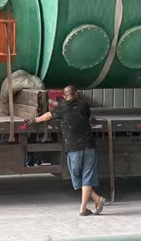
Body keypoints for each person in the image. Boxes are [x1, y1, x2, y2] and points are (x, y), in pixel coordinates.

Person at [25, 85, 105, 216]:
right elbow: (76, 109)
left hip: (73, 147)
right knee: (87, 177)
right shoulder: (84, 105)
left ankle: (85, 207)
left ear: (64, 96)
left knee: (77, 177)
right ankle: (96, 200)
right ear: (77, 94)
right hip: (88, 145)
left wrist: (35, 120)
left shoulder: (61, 108)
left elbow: (48, 115)